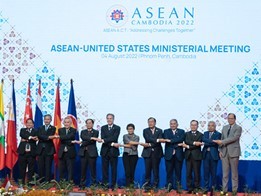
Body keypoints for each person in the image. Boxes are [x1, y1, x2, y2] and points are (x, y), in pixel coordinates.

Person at [213, 113, 242, 194]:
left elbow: (234, 138)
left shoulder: (238, 128)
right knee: (225, 174)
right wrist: (220, 150)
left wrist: (222, 142)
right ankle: (224, 191)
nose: (230, 120)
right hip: (224, 153)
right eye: (228, 118)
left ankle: (234, 191)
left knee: (234, 174)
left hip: (234, 153)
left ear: (235, 119)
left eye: (231, 118)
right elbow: (222, 138)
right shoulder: (225, 127)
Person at [141, 117, 164, 192]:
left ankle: (155, 187)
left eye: (152, 122)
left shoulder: (160, 130)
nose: (150, 123)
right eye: (149, 122)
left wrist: (150, 144)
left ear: (155, 123)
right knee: (147, 171)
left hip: (157, 153)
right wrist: (156, 140)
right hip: (147, 153)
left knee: (155, 170)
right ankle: (147, 187)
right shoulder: (145, 130)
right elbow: (147, 139)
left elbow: (159, 140)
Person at [179, 120, 203, 193]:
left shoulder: (201, 134)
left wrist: (188, 146)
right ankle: (189, 188)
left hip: (197, 156)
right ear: (190, 126)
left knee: (196, 173)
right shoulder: (186, 134)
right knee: (188, 173)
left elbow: (197, 145)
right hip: (188, 155)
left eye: (195, 125)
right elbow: (186, 141)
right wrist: (194, 143)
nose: (193, 126)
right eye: (192, 125)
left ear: (197, 126)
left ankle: (197, 188)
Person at [163, 119, 185, 192]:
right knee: (169, 171)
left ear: (177, 124)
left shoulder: (182, 131)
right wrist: (176, 141)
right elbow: (166, 139)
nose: (172, 125)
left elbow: (181, 139)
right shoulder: (166, 131)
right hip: (169, 155)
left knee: (178, 172)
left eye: (174, 124)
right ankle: (169, 186)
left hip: (178, 154)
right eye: (171, 124)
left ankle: (178, 187)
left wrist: (171, 141)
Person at [100, 113, 121, 190]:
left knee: (114, 169)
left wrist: (105, 140)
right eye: (108, 118)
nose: (109, 120)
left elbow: (114, 137)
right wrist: (112, 143)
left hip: (113, 152)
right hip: (105, 151)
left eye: (110, 118)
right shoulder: (103, 127)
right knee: (105, 169)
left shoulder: (117, 128)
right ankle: (105, 185)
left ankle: (113, 185)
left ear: (113, 119)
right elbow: (102, 138)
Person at [78, 119, 99, 189]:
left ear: (92, 124)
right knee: (83, 170)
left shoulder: (96, 132)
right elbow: (83, 137)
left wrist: (83, 142)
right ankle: (82, 185)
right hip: (83, 153)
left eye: (90, 123)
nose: (88, 124)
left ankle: (94, 185)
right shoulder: (83, 131)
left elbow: (91, 141)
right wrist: (91, 138)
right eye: (87, 123)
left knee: (93, 170)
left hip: (92, 153)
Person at [17, 118, 38, 184]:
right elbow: (22, 135)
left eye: (30, 123)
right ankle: (21, 183)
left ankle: (30, 183)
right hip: (22, 152)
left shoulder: (36, 131)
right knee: (21, 168)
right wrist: (31, 138)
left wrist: (25, 139)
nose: (29, 124)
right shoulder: (22, 130)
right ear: (25, 124)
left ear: (33, 124)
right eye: (27, 123)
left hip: (32, 153)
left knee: (31, 169)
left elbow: (37, 138)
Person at [36, 114, 57, 182]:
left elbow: (49, 135)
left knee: (48, 166)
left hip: (49, 150)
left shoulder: (53, 128)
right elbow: (39, 136)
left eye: (48, 119)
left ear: (50, 120)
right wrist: (47, 137)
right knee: (40, 166)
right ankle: (40, 181)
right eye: (45, 119)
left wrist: (44, 137)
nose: (46, 120)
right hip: (40, 150)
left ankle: (47, 181)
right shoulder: (40, 128)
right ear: (44, 120)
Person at [202, 121, 221, 193]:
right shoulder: (205, 133)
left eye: (212, 125)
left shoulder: (218, 134)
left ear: (215, 126)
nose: (210, 127)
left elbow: (214, 144)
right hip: (206, 154)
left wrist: (209, 142)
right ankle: (206, 189)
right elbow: (204, 140)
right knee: (206, 173)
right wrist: (213, 141)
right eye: (209, 125)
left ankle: (213, 189)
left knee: (213, 173)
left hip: (214, 155)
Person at [57, 116, 77, 182]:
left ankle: (70, 183)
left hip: (70, 152)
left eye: (68, 122)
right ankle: (61, 183)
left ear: (71, 123)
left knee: (70, 169)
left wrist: (62, 137)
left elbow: (69, 136)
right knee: (61, 169)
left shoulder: (74, 130)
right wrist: (71, 141)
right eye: (65, 122)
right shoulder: (60, 130)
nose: (66, 124)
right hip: (62, 152)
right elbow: (62, 139)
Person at [121, 123, 140, 188]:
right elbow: (129, 142)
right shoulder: (125, 136)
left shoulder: (137, 137)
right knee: (127, 172)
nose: (130, 130)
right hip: (126, 155)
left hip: (134, 155)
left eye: (131, 129)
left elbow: (134, 147)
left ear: (134, 129)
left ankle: (131, 186)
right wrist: (134, 143)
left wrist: (125, 145)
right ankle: (127, 186)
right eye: (128, 129)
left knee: (132, 171)